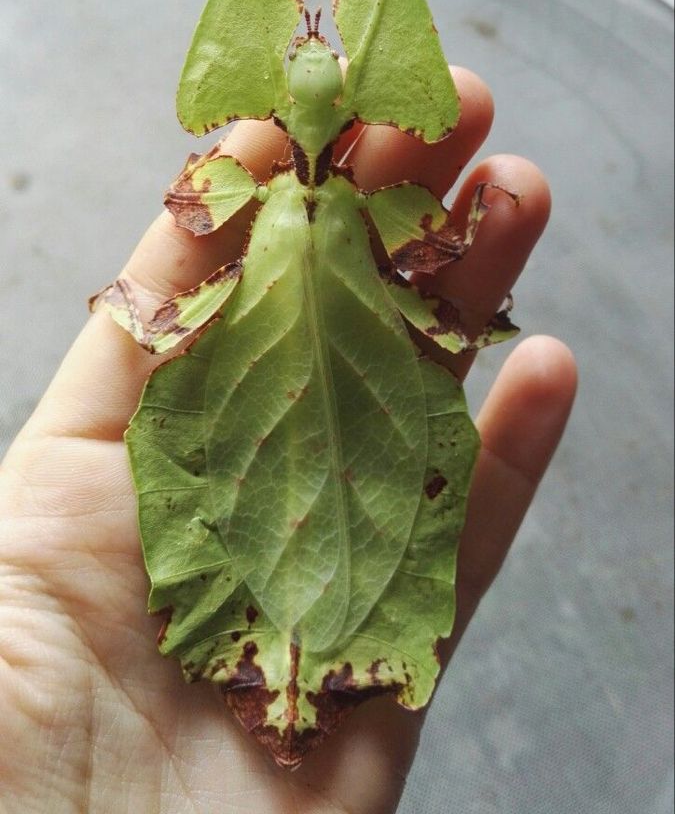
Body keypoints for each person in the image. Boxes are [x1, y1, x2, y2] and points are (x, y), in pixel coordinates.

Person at [0, 65, 576, 813]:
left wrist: (129, 301)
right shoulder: (351, 208)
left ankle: (304, 673)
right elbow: (436, 277)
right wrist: (464, 239)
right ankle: (296, 674)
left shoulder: (246, 189)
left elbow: (186, 220)